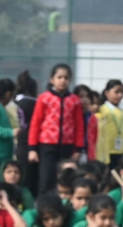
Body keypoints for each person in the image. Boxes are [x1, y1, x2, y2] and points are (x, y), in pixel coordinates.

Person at [26, 63, 85, 197]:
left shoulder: (74, 101)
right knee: (46, 180)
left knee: (66, 179)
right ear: (52, 79)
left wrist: (78, 149)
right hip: (47, 146)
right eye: (59, 77)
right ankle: (44, 208)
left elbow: (79, 126)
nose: (63, 80)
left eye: (66, 77)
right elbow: (35, 123)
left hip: (67, 147)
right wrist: (32, 149)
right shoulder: (44, 98)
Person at [98, 80, 123, 172]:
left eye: (122, 92)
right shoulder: (102, 110)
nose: (120, 95)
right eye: (117, 92)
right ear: (107, 93)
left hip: (122, 151)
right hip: (108, 151)